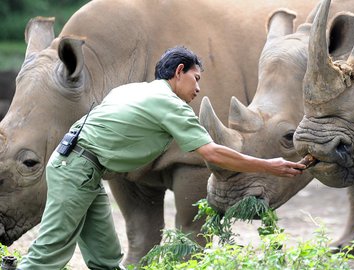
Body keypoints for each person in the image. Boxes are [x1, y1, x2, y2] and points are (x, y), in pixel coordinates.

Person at [18, 46, 306, 270]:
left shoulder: (133, 90)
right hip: (77, 168)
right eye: (196, 79)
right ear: (179, 71)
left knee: (105, 254)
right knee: (51, 252)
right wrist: (269, 165)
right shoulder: (170, 104)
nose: (198, 88)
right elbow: (211, 152)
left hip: (82, 167)